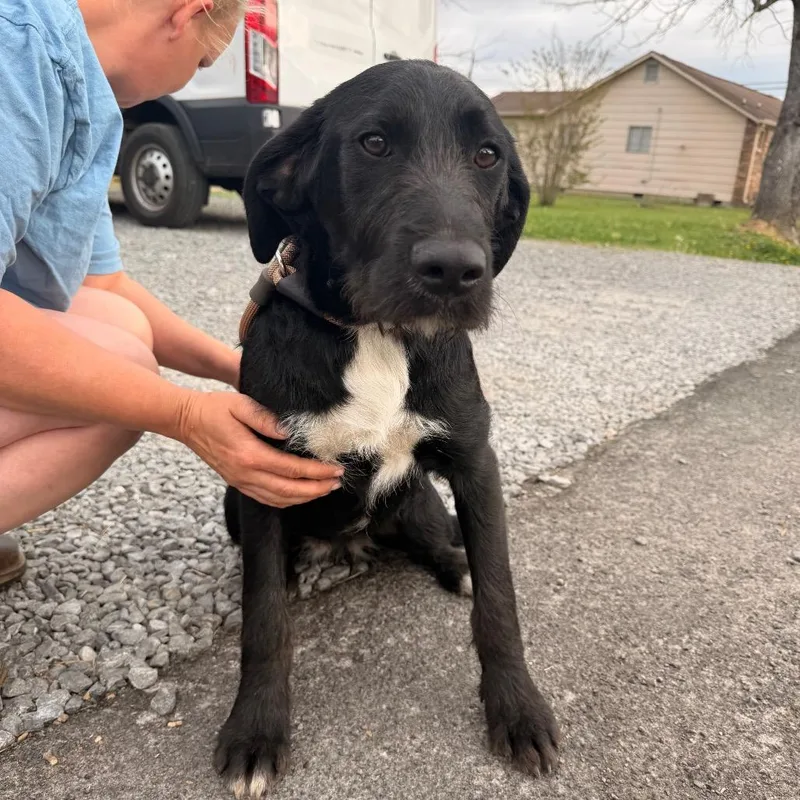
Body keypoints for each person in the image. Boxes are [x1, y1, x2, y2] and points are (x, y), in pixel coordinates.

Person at [0, 0, 344, 587]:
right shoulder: (19, 54)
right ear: (188, 13)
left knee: (122, 329)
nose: (193, 76)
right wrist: (184, 415)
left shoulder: (84, 94)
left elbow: (102, 283)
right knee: (126, 377)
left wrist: (237, 370)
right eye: (205, 59)